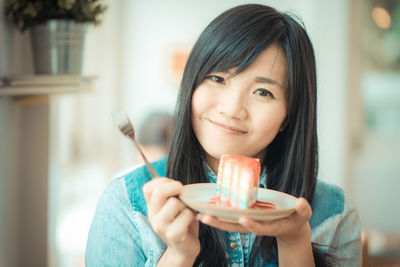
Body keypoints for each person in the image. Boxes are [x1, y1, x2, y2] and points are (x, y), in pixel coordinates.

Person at [86, 4, 362, 266]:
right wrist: (179, 255)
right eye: (217, 78)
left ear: (288, 116)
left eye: (263, 92)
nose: (231, 109)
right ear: (192, 83)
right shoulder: (125, 204)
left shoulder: (335, 214)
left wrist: (294, 244)